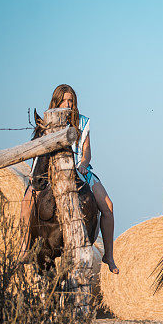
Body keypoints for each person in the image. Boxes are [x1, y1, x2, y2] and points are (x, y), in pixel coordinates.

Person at [20, 84, 119, 273]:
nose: (68, 104)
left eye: (71, 101)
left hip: (79, 170)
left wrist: (83, 163)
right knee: (26, 201)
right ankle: (24, 247)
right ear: (56, 102)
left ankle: (109, 255)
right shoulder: (48, 122)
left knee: (108, 205)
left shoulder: (82, 122)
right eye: (64, 100)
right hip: (51, 170)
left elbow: (87, 152)